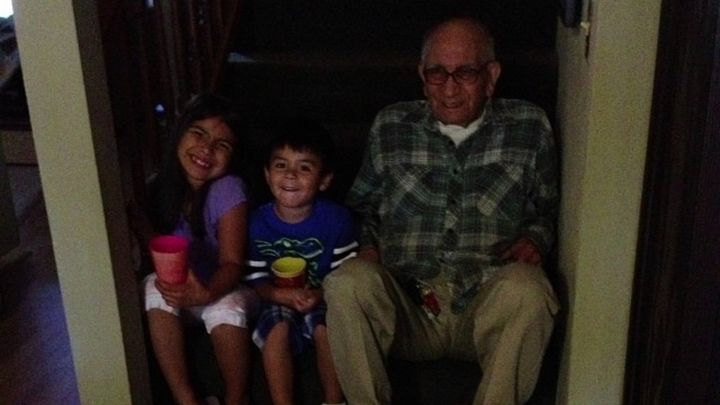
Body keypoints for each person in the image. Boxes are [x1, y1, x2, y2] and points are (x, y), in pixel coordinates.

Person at [323, 17, 560, 405]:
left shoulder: (528, 126)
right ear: (422, 75)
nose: (449, 88)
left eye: (465, 73)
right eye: (437, 73)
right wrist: (367, 245)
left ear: (491, 76)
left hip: (485, 303)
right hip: (408, 304)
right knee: (347, 283)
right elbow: (362, 206)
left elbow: (546, 208)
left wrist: (535, 237)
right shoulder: (392, 125)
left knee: (531, 291)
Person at [134, 93, 258, 405]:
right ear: (180, 133)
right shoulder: (164, 185)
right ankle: (187, 399)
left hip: (227, 286)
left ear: (233, 155)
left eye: (221, 144)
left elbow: (232, 263)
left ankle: (237, 398)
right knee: (153, 287)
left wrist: (207, 292)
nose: (206, 149)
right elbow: (160, 247)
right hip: (186, 293)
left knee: (224, 306)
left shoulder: (228, 189)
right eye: (199, 133)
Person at [245, 117, 357, 405]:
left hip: (323, 296)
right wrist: (277, 295)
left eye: (304, 167)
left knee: (328, 330)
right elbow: (255, 277)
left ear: (324, 180)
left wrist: (319, 294)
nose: (290, 175)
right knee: (277, 330)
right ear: (267, 174)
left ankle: (334, 401)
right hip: (275, 298)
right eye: (281, 165)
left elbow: (346, 274)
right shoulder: (256, 222)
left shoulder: (337, 220)